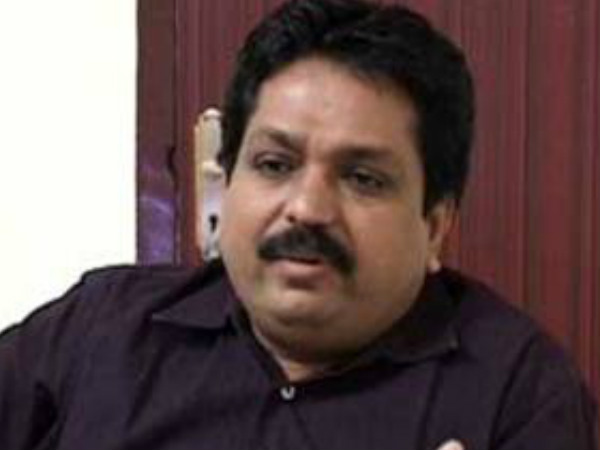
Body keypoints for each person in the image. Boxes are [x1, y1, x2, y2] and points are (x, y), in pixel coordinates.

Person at [0, 0, 597, 449]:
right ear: (227, 183)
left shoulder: (517, 393)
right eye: (274, 164)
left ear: (435, 226)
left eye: (362, 177)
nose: (308, 207)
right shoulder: (101, 329)